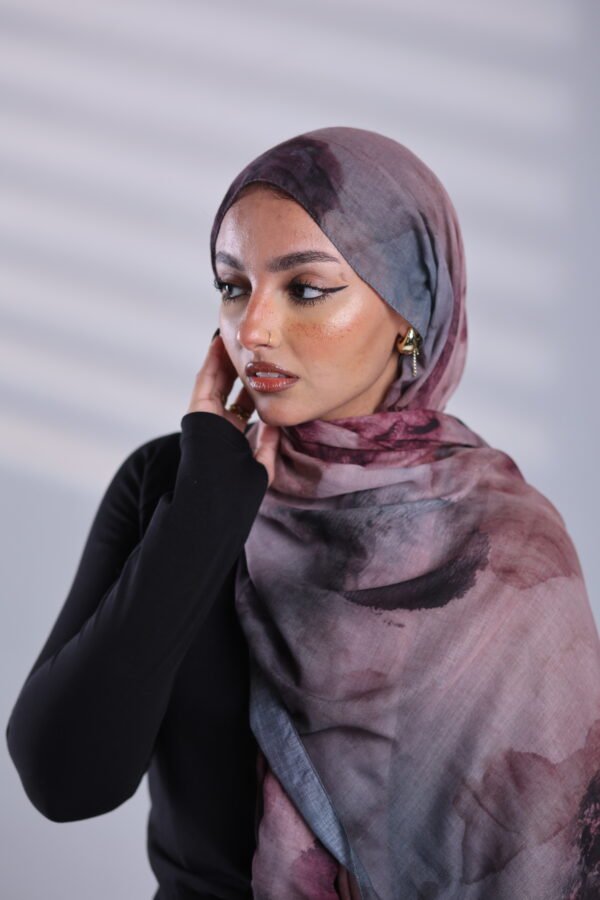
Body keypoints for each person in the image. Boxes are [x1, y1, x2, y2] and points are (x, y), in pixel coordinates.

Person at [6, 126, 600, 899]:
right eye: (232, 286)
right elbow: (63, 782)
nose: (252, 329)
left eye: (306, 289)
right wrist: (205, 513)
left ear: (409, 314)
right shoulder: (171, 488)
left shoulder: (505, 546)